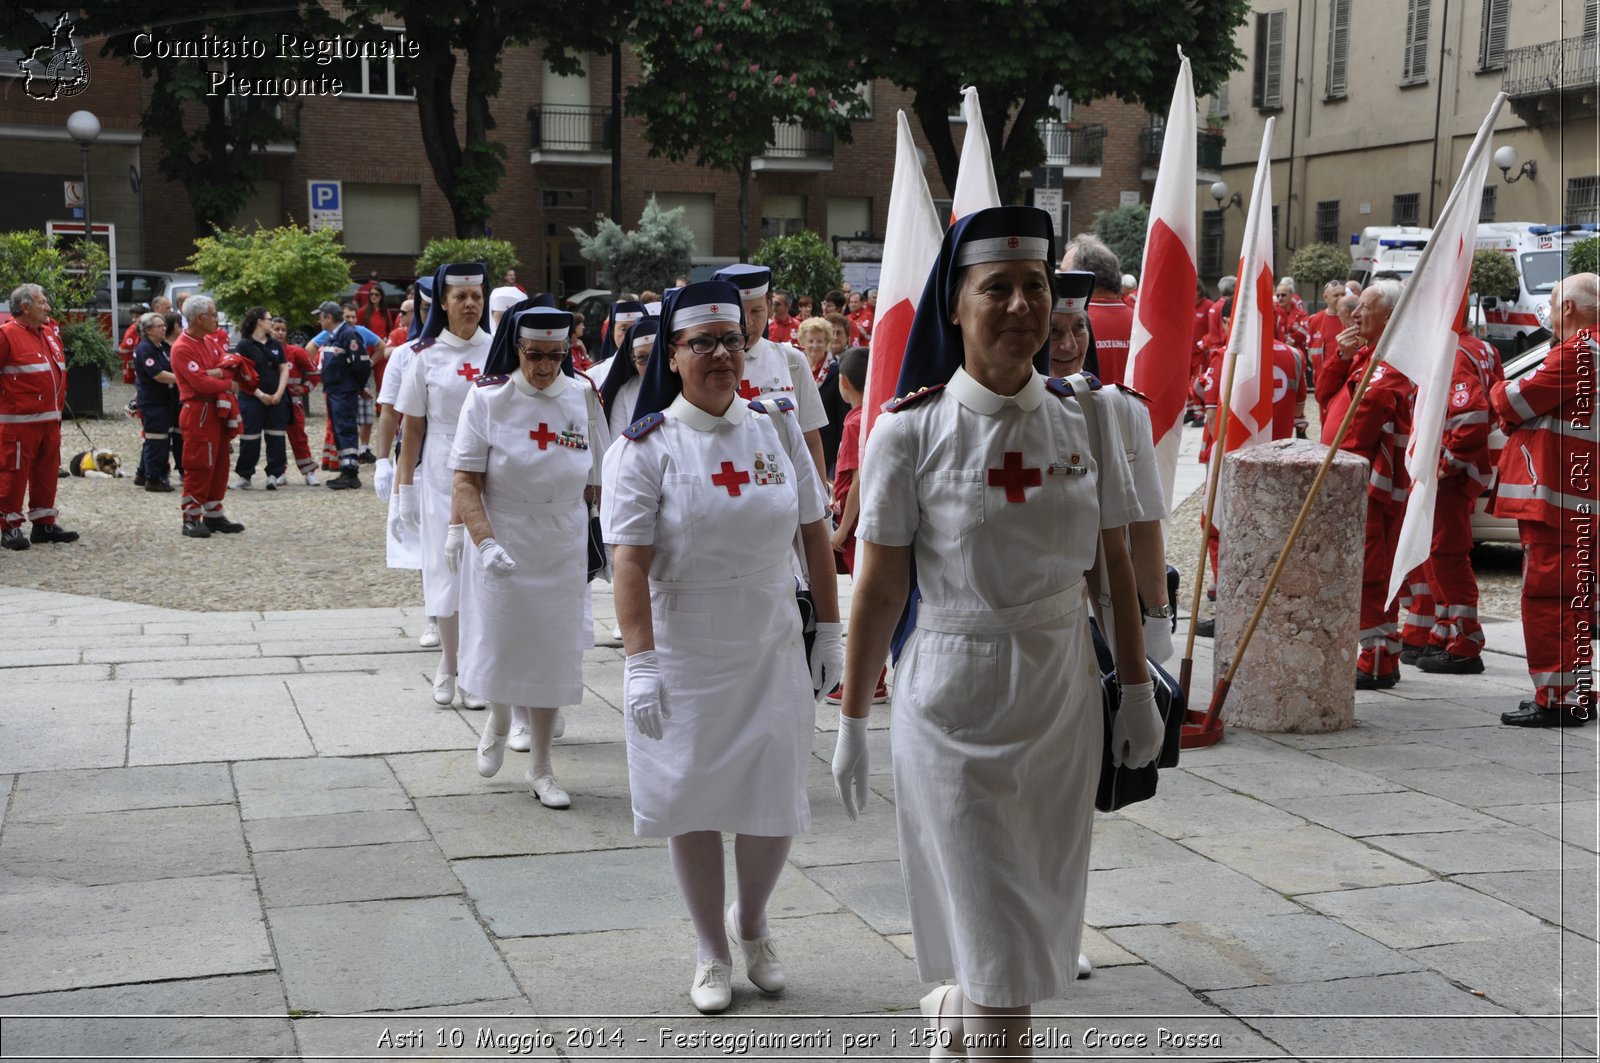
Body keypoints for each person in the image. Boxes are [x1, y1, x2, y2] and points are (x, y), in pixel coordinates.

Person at [829, 206, 1157, 1060]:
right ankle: (985, 1031)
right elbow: (879, 586)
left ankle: (955, 1016)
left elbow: (1112, 560)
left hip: (1059, 698)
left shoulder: (1090, 419)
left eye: (1035, 287)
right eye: (996, 288)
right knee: (1000, 948)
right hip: (952, 701)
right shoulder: (908, 431)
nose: (1020, 307)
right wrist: (855, 717)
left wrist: (1132, 688)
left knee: (1025, 917)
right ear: (955, 304)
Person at [602, 280, 841, 1014]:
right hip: (685, 645)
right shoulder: (645, 448)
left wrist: (829, 627)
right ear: (671, 356)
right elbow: (630, 563)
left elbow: (812, 531)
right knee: (693, 797)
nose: (720, 355)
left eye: (732, 341)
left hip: (769, 637)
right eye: (701, 342)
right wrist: (640, 662)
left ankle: (754, 920)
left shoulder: (773, 426)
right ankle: (710, 945)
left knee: (774, 796)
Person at [454, 305, 606, 807]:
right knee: (502, 638)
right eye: (535, 355)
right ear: (517, 349)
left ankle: (541, 767)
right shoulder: (488, 397)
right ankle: (498, 720)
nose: (544, 367)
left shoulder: (582, 394)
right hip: (506, 532)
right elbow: (466, 480)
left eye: (555, 356)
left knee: (552, 650)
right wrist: (484, 540)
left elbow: (602, 475)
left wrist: (605, 536)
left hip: (560, 539)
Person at [1491, 272, 1597, 727]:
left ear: (1568, 309)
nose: (1549, 316)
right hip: (1577, 498)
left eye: (1551, 307)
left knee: (1548, 598)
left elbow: (1509, 399)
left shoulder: (1578, 351)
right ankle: (1575, 692)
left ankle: (1559, 699)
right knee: (1571, 600)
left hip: (1559, 502)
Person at [1051, 270, 1174, 664]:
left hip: (1106, 611)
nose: (1069, 345)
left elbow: (1145, 521)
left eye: (1079, 328)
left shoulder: (1124, 408)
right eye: (1054, 332)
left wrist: (1156, 616)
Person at [396, 262, 494, 708]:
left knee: (483, 575)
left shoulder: (500, 351)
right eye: (460, 297)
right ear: (444, 303)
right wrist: (403, 488)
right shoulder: (424, 355)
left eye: (476, 296)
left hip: (493, 474)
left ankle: (477, 669)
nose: (470, 304)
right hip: (439, 474)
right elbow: (411, 428)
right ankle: (449, 662)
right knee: (446, 571)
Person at [1398, 317, 1497, 675]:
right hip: (1450, 473)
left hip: (1446, 477)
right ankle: (1444, 634)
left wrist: (1447, 463)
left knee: (1445, 555)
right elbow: (1493, 404)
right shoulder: (1481, 347)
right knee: (1437, 553)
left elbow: (1472, 415)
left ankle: (1465, 642)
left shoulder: (1453, 352)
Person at [1334, 280, 1414, 689]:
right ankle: (1376, 653)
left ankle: (1378, 658)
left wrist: (1335, 462)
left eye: (1366, 307)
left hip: (1373, 485)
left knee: (1371, 571)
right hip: (1362, 480)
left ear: (1389, 316)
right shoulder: (1371, 356)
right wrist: (1342, 356)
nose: (1355, 313)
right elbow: (1330, 394)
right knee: (1365, 568)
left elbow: (1364, 417)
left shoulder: (1391, 364)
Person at [708, 265, 830, 482]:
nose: (748, 322)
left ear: (769, 308)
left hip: (788, 495)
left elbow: (810, 439)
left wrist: (822, 503)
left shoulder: (791, 361)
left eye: (756, 311)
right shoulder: (704, 365)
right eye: (739, 313)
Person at [823, 345, 891, 706]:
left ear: (843, 382)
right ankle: (874, 679)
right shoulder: (878, 413)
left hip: (859, 527)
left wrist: (841, 530)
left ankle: (868, 683)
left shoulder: (855, 421)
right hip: (878, 520)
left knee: (865, 606)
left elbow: (858, 482)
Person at [0, 283, 76, 549]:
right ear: (25, 307)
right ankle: (8, 526)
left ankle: (43, 523)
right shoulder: (6, 334)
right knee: (13, 472)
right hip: (19, 423)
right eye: (42, 302)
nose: (48, 307)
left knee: (47, 472)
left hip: (49, 420)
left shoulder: (47, 333)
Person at [172, 295, 245, 538]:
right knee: (199, 462)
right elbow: (200, 382)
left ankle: (214, 513)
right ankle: (191, 516)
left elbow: (227, 365)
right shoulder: (182, 347)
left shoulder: (209, 342)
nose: (217, 319)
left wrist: (218, 376)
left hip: (217, 409)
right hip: (199, 412)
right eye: (213, 314)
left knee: (221, 462)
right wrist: (226, 383)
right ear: (200, 317)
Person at [313, 301, 374, 490]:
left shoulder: (348, 335)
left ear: (329, 317)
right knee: (340, 431)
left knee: (346, 430)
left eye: (321, 317)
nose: (319, 321)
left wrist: (359, 387)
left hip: (344, 392)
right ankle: (345, 470)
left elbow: (361, 365)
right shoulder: (335, 336)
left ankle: (350, 473)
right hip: (334, 391)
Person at [1061, 234, 1134, 385]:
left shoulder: (1066, 325)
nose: (1060, 279)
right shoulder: (1141, 325)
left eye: (1063, 273)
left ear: (1083, 279)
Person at [231, 307, 290, 491]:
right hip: (252, 398)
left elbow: (283, 368)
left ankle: (274, 474)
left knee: (276, 436)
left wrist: (279, 393)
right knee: (250, 437)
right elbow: (241, 375)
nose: (272, 322)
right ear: (259, 321)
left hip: (276, 399)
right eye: (269, 319)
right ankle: (245, 475)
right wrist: (260, 394)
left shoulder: (274, 344)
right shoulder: (244, 346)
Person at [132, 311, 181, 493]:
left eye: (164, 326)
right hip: (153, 401)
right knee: (157, 440)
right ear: (148, 330)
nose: (164, 329)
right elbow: (158, 374)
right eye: (160, 326)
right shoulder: (146, 348)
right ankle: (154, 478)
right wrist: (183, 379)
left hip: (163, 400)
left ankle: (143, 473)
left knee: (156, 438)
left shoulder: (160, 347)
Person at [272, 316, 320, 486]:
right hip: (273, 403)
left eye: (283, 330)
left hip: (293, 403)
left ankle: (309, 471)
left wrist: (305, 388)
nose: (280, 333)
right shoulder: (264, 352)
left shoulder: (296, 352)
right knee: (275, 439)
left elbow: (314, 373)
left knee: (299, 437)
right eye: (276, 329)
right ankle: (278, 472)